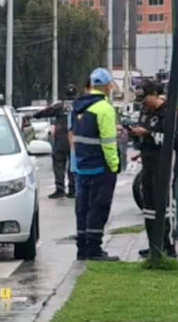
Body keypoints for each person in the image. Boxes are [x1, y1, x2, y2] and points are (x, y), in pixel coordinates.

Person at [70, 68, 121, 261]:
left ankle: (82, 248)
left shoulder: (78, 107)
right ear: (108, 86)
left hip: (82, 166)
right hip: (100, 167)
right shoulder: (104, 109)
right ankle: (94, 249)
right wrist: (114, 165)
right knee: (98, 208)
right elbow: (108, 143)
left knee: (82, 208)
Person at [129, 79, 176, 257]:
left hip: (165, 161)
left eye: (146, 99)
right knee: (148, 202)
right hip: (148, 160)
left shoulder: (169, 111)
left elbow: (171, 139)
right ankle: (153, 245)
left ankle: (168, 245)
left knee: (164, 201)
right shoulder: (144, 111)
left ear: (155, 94)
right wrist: (137, 137)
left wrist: (148, 133)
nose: (145, 104)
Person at [34, 84, 79, 198]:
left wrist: (36, 115)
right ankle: (73, 189)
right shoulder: (80, 105)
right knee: (73, 164)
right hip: (75, 139)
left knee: (59, 163)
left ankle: (60, 189)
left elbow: (47, 111)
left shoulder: (60, 105)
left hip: (61, 139)